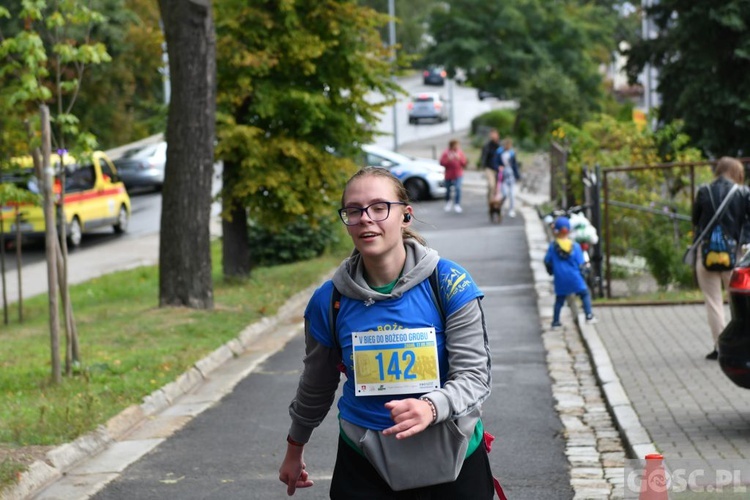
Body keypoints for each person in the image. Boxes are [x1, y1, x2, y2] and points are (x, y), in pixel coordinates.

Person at [279, 167, 494, 499]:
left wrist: (432, 407)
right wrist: (295, 446)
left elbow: (475, 376)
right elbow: (316, 383)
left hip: (452, 452)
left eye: (379, 207)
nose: (366, 218)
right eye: (354, 210)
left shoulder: (450, 283)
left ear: (405, 216)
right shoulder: (329, 300)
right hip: (364, 459)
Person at [691, 157, 750, 360]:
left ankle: (720, 348)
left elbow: (695, 220)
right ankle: (742, 347)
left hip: (707, 253)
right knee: (742, 302)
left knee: (713, 302)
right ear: (737, 172)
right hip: (736, 255)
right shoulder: (743, 193)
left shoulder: (704, 191)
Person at [544, 216, 597, 328]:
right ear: (569, 230)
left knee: (559, 300)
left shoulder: (553, 247)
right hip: (574, 277)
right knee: (584, 294)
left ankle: (555, 322)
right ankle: (588, 316)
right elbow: (581, 262)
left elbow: (547, 261)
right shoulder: (575, 246)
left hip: (560, 278)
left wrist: (551, 271)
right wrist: (584, 272)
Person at [439, 139, 468, 213]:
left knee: (458, 188)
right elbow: (441, 162)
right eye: (456, 145)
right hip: (449, 174)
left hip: (458, 173)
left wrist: (459, 159)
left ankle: (457, 204)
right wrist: (448, 160)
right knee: (448, 189)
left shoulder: (459, 152)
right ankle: (448, 202)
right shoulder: (446, 153)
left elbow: (464, 163)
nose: (457, 147)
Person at [495, 138, 520, 218]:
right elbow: (495, 162)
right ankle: (501, 208)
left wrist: (517, 175)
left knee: (512, 194)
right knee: (504, 194)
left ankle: (511, 209)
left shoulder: (512, 153)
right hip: (503, 176)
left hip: (511, 175)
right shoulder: (499, 152)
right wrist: (498, 167)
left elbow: (515, 165)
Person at [479, 129, 501, 204]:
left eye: (494, 134)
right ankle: (490, 202)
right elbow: (483, 156)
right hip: (489, 168)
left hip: (498, 168)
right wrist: (483, 165)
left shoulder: (500, 145)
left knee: (496, 187)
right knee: (491, 185)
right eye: (491, 135)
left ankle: (495, 202)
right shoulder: (487, 146)